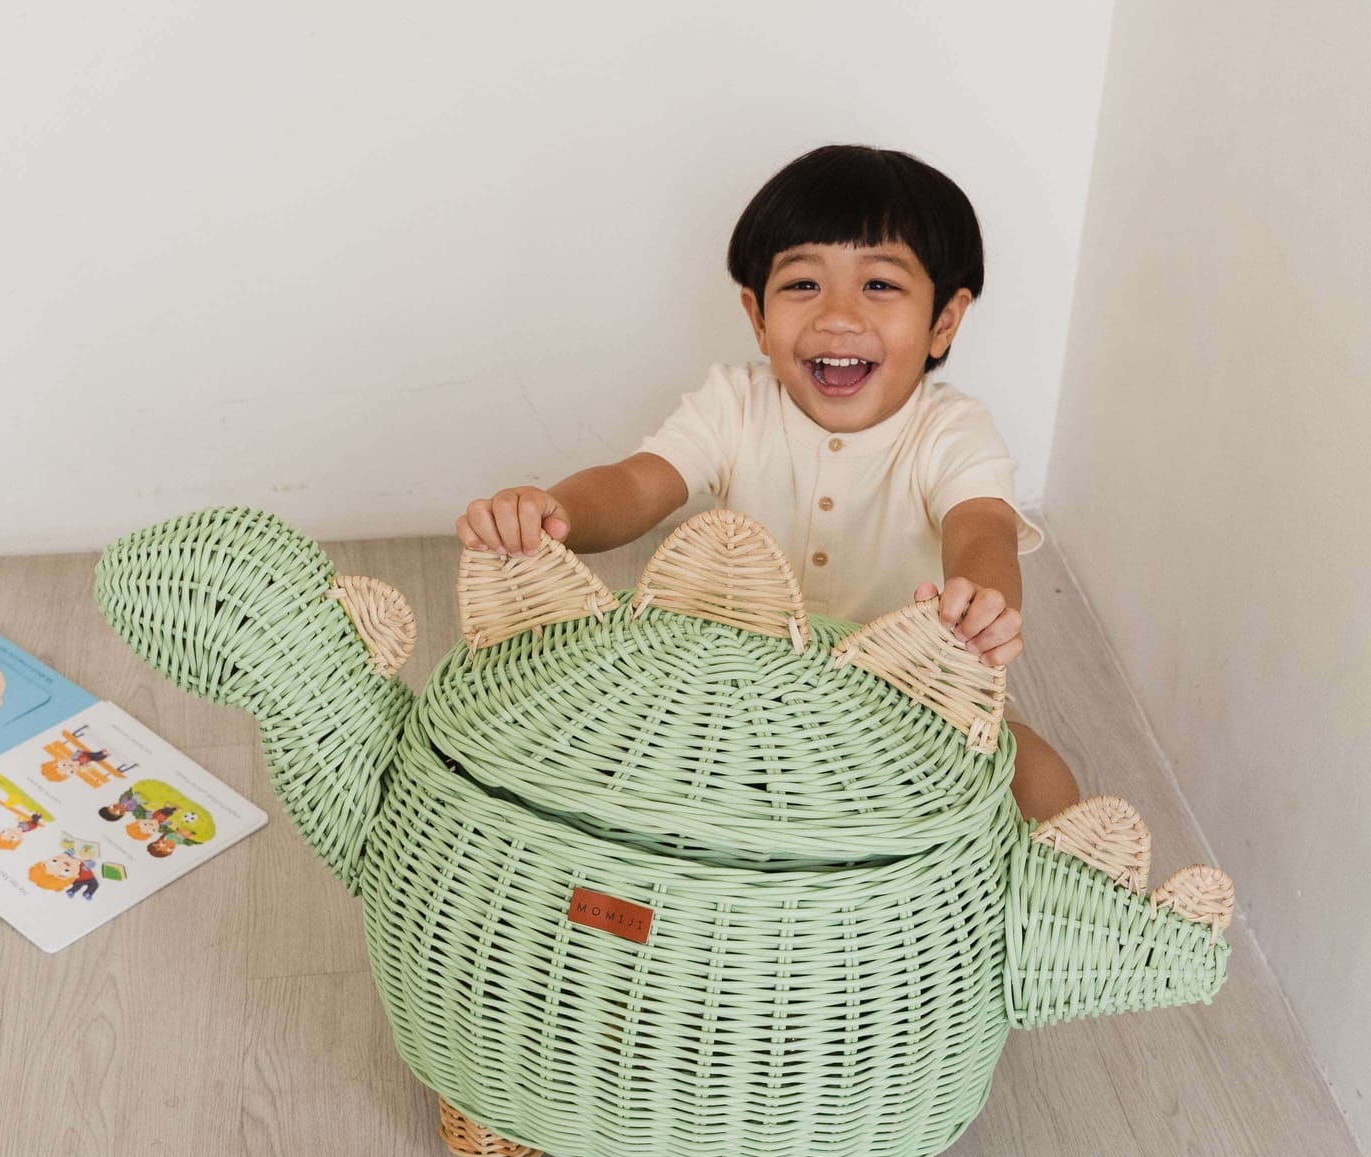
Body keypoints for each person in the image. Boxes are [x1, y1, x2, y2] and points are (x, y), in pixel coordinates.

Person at [454, 144, 1079, 821]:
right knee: (593, 744)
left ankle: (1047, 882)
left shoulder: (950, 430)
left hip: (905, 690)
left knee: (1036, 774)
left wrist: (981, 602)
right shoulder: (734, 404)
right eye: (803, 284)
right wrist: (555, 513)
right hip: (730, 689)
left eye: (879, 285)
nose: (836, 315)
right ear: (757, 317)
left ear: (943, 322)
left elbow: (982, 528)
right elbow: (636, 485)